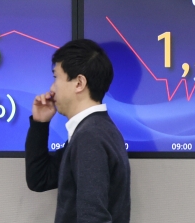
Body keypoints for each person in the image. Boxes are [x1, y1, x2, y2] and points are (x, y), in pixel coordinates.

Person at [24, 39, 131, 223]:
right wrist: (39, 124)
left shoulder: (90, 137)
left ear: (79, 83)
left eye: (56, 77)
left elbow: (93, 217)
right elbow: (40, 179)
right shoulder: (95, 130)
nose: (52, 88)